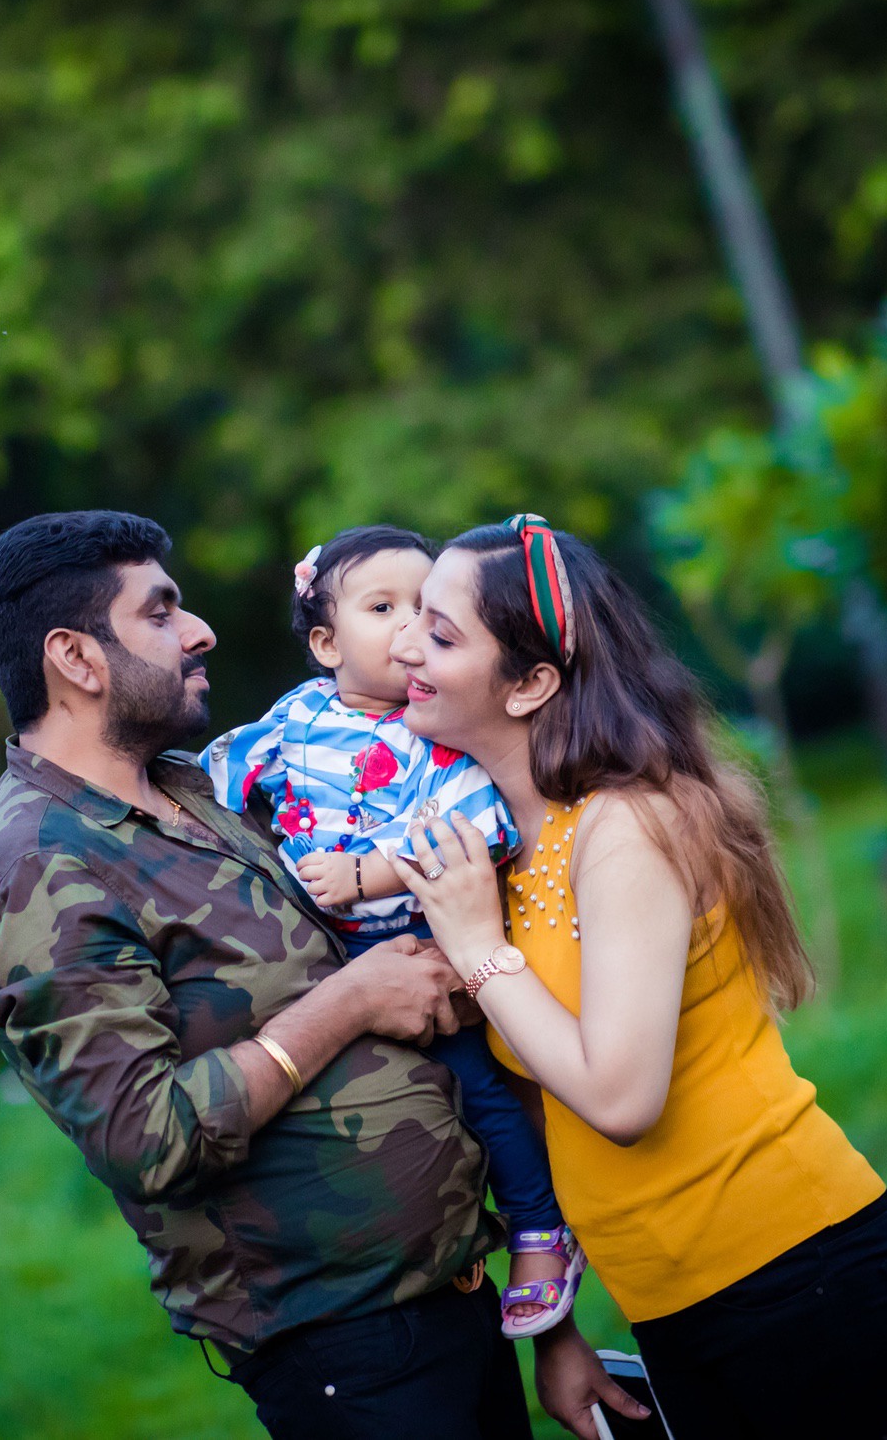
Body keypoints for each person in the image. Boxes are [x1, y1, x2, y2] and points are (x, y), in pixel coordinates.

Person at [0, 511, 607, 1439]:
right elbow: (148, 1137)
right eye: (161, 612)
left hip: (452, 1300)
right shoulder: (32, 867)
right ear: (76, 657)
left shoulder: (199, 791)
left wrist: (551, 1329)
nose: (199, 631)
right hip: (342, 1347)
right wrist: (350, 1001)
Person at [384, 514, 887, 1439]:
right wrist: (555, 1331)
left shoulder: (627, 827)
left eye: (440, 633)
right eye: (410, 618)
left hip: (788, 1266)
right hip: (673, 1297)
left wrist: (480, 952)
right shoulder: (510, 853)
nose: (405, 644)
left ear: (530, 683)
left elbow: (619, 1094)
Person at [203, 525, 581, 1340]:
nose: (409, 630)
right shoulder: (297, 716)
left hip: (420, 949)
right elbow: (219, 776)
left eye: (426, 610)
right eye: (383, 608)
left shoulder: (432, 732)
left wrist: (367, 873)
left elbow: (482, 830)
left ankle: (539, 1226)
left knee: (481, 1091)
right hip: (327, 961)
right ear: (324, 642)